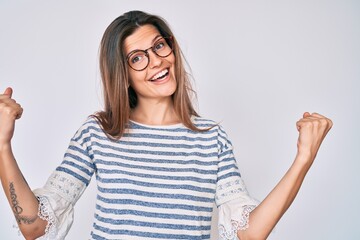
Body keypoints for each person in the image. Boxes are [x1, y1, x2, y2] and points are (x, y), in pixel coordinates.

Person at [0, 10, 332, 240]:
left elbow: (249, 232)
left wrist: (303, 159)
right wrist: (2, 146)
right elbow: (35, 226)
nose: (157, 61)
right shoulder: (98, 133)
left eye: (159, 46)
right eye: (137, 58)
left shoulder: (211, 139)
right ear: (123, 75)